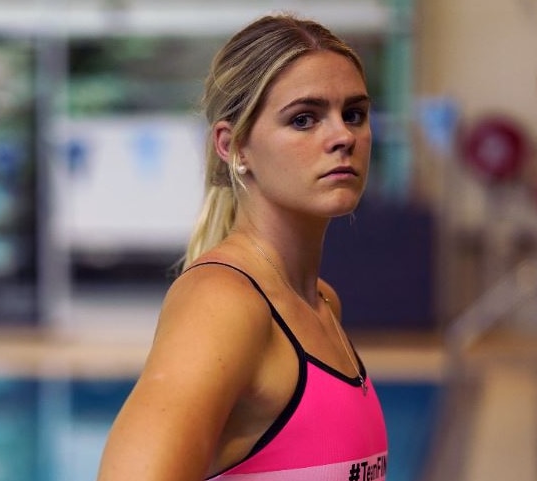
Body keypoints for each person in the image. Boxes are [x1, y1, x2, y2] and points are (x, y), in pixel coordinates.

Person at [97, 13, 388, 481]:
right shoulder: (223, 303)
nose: (343, 137)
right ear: (234, 147)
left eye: (353, 114)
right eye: (304, 119)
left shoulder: (322, 303)